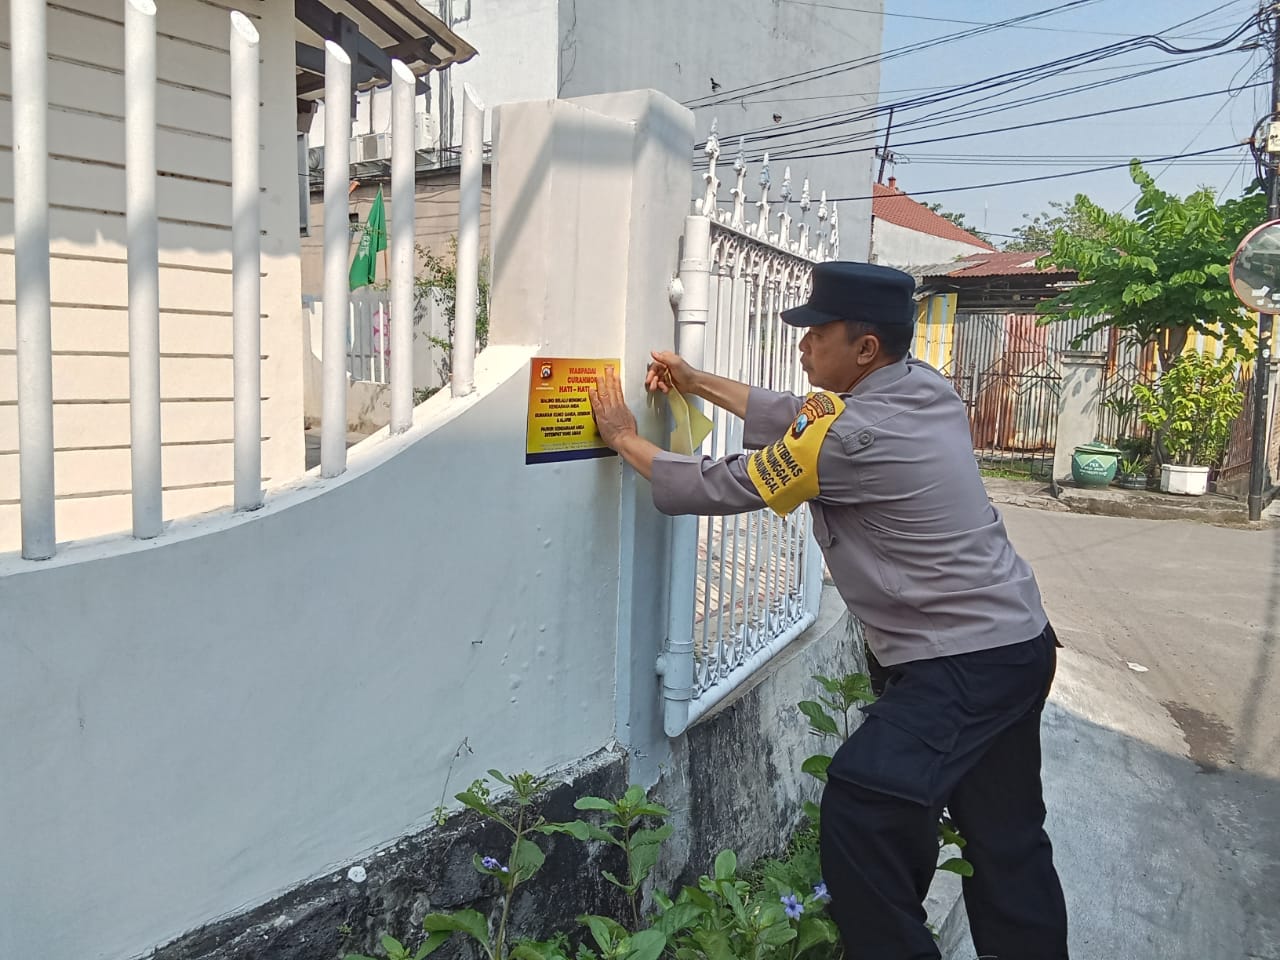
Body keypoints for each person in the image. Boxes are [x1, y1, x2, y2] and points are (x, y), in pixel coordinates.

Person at [587, 261, 1068, 960]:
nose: (803, 345)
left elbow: (728, 483)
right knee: (1007, 839)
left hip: (962, 663)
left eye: (817, 333)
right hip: (1019, 645)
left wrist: (626, 438)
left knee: (865, 802)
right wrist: (697, 382)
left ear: (864, 347)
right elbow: (797, 412)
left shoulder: (850, 438)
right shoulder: (920, 389)